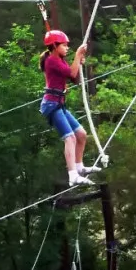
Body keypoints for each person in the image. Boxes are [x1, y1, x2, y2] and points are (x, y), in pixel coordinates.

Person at [40, 30, 98, 186]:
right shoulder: (52, 60)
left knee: (81, 134)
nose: (67, 48)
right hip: (52, 105)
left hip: (59, 104)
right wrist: (78, 56)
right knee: (70, 137)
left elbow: (73, 77)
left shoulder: (60, 60)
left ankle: (79, 167)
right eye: (64, 45)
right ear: (54, 46)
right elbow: (72, 72)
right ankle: (72, 174)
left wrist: (78, 63)